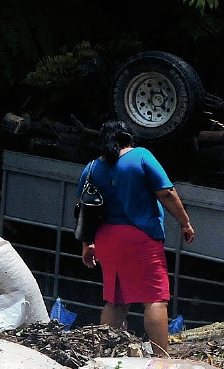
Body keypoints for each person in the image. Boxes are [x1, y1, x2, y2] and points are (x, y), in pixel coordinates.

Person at [80, 120, 196, 355]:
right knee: (155, 298)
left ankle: (102, 357)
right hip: (140, 237)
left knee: (115, 301)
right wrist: (184, 222)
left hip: (106, 239)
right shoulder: (141, 156)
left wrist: (87, 243)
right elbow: (166, 192)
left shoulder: (92, 167)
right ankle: (161, 358)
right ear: (129, 138)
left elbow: (85, 208)